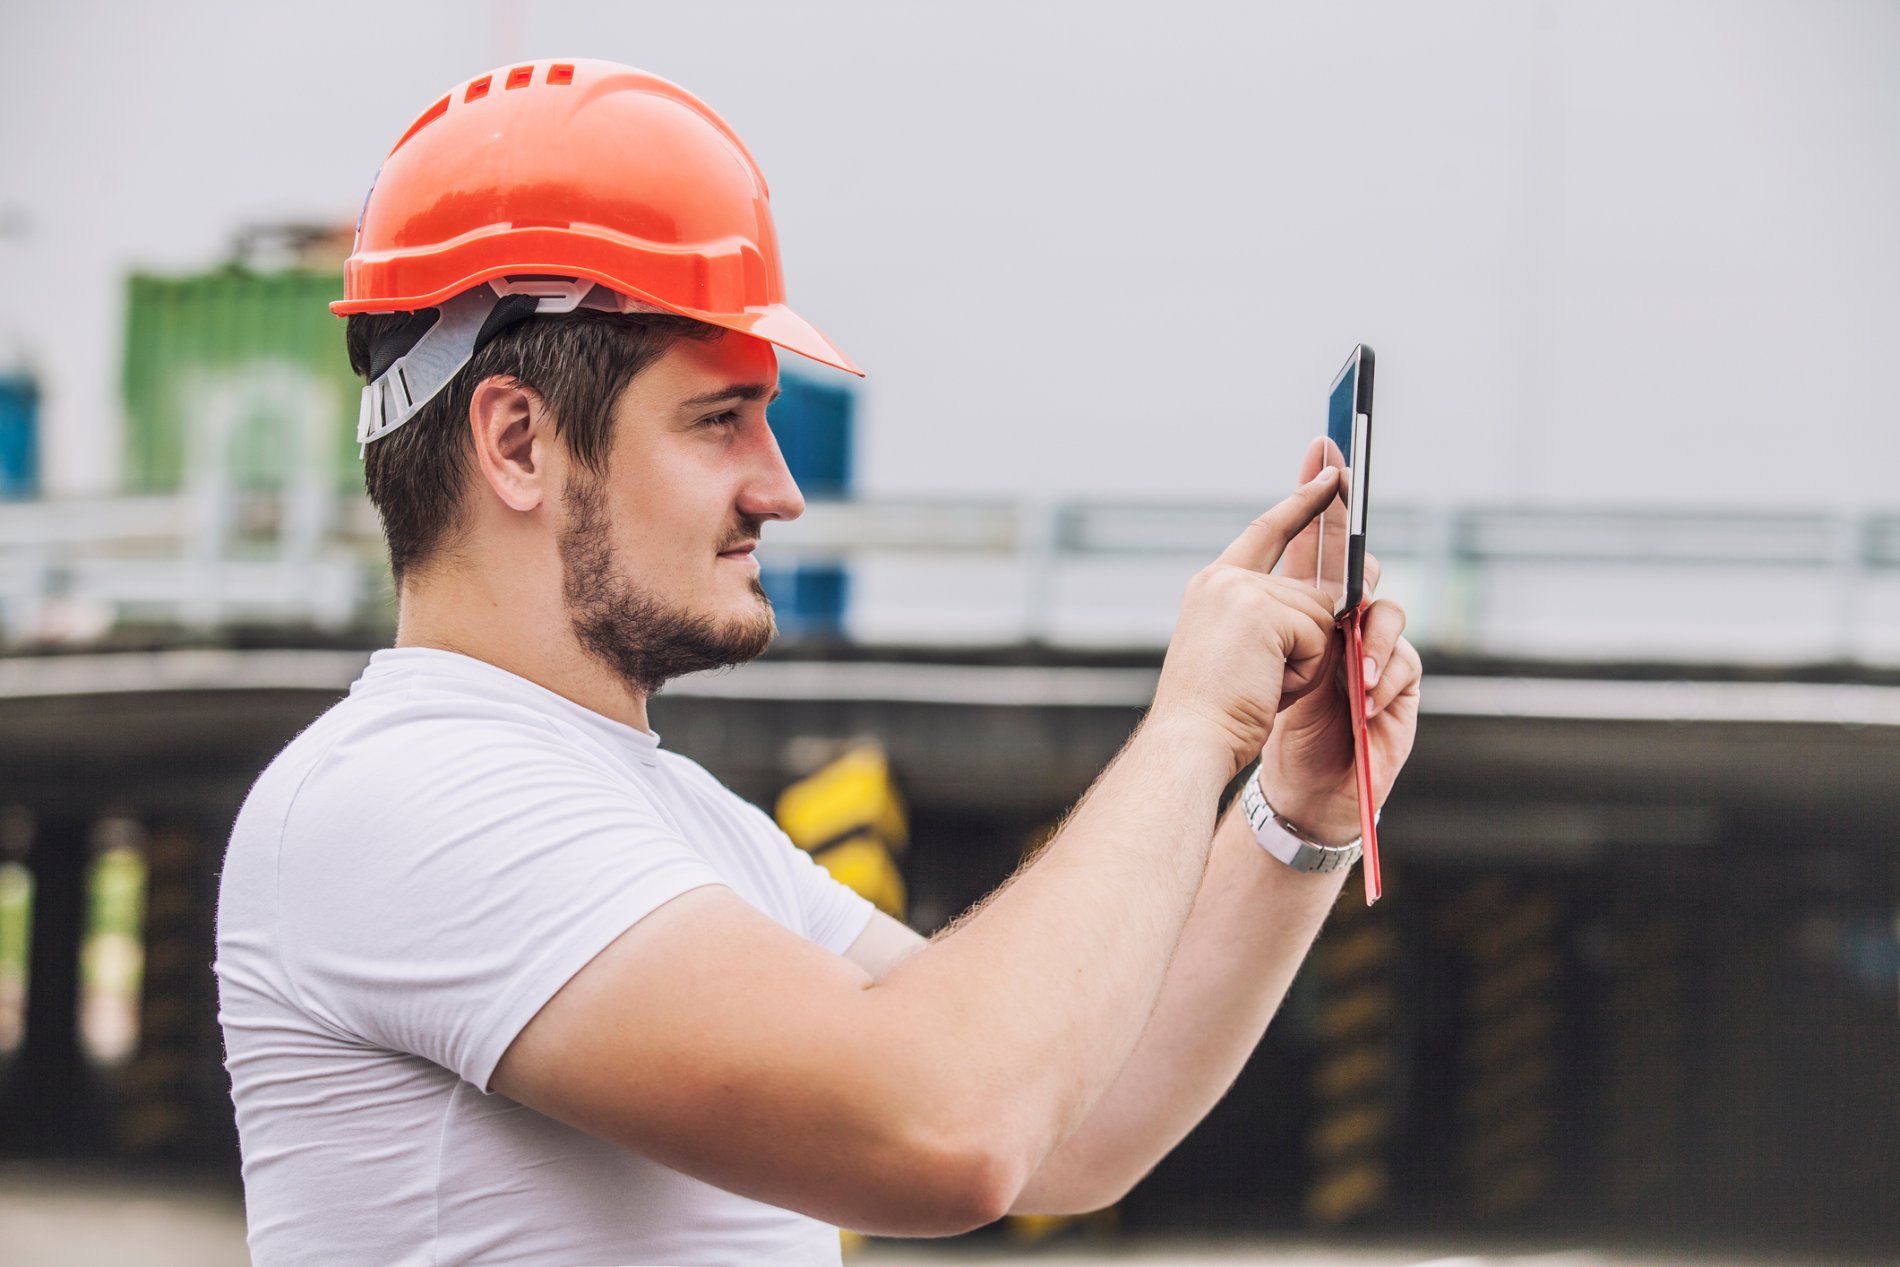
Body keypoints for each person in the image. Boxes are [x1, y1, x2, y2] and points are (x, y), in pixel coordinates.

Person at [214, 59, 1422, 1267]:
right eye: (717, 419)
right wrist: (1188, 725)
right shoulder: (402, 802)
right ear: (519, 442)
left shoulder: (665, 816)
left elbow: (1072, 1123)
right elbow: (949, 1123)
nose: (781, 489)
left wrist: (1290, 811)